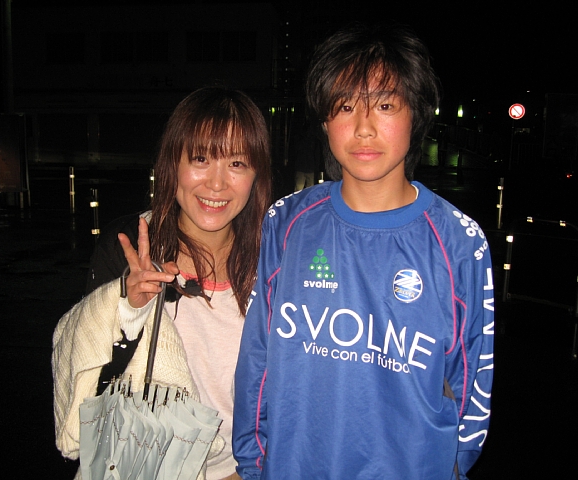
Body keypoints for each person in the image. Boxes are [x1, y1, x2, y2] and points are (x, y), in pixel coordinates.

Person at [233, 22, 494, 480]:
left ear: (416, 115)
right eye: (345, 107)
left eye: (386, 105)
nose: (364, 128)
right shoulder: (287, 223)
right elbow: (258, 359)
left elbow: (473, 386)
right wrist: (255, 464)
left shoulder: (459, 242)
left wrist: (451, 466)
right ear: (325, 122)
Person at [53, 86, 272, 480]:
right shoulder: (129, 247)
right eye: (201, 159)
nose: (217, 183)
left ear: (256, 175)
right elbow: (82, 373)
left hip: (244, 470)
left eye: (237, 163)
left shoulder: (274, 261)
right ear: (173, 163)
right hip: (145, 465)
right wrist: (125, 307)